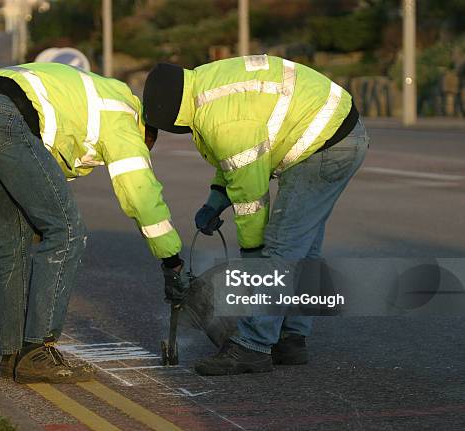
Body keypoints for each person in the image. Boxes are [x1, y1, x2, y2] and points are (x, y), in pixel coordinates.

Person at [0, 63, 184, 384]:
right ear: (146, 133)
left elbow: (50, 162)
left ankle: (13, 355)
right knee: (67, 232)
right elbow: (140, 192)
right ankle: (38, 349)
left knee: (12, 241)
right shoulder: (125, 122)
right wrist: (170, 257)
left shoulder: (102, 97)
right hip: (5, 118)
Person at [143, 55, 368, 375]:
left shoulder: (220, 119)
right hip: (334, 131)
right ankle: (291, 338)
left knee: (279, 248)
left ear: (173, 118)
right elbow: (237, 162)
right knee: (303, 248)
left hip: (325, 143)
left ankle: (253, 345)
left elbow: (251, 198)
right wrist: (215, 201)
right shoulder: (204, 88)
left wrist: (253, 257)